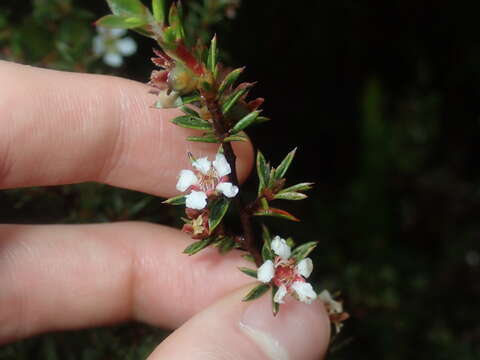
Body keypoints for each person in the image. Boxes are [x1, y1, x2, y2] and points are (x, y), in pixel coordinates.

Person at [0, 61, 330, 359]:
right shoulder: (209, 182)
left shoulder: (219, 184)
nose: (287, 271)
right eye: (288, 270)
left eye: (288, 271)